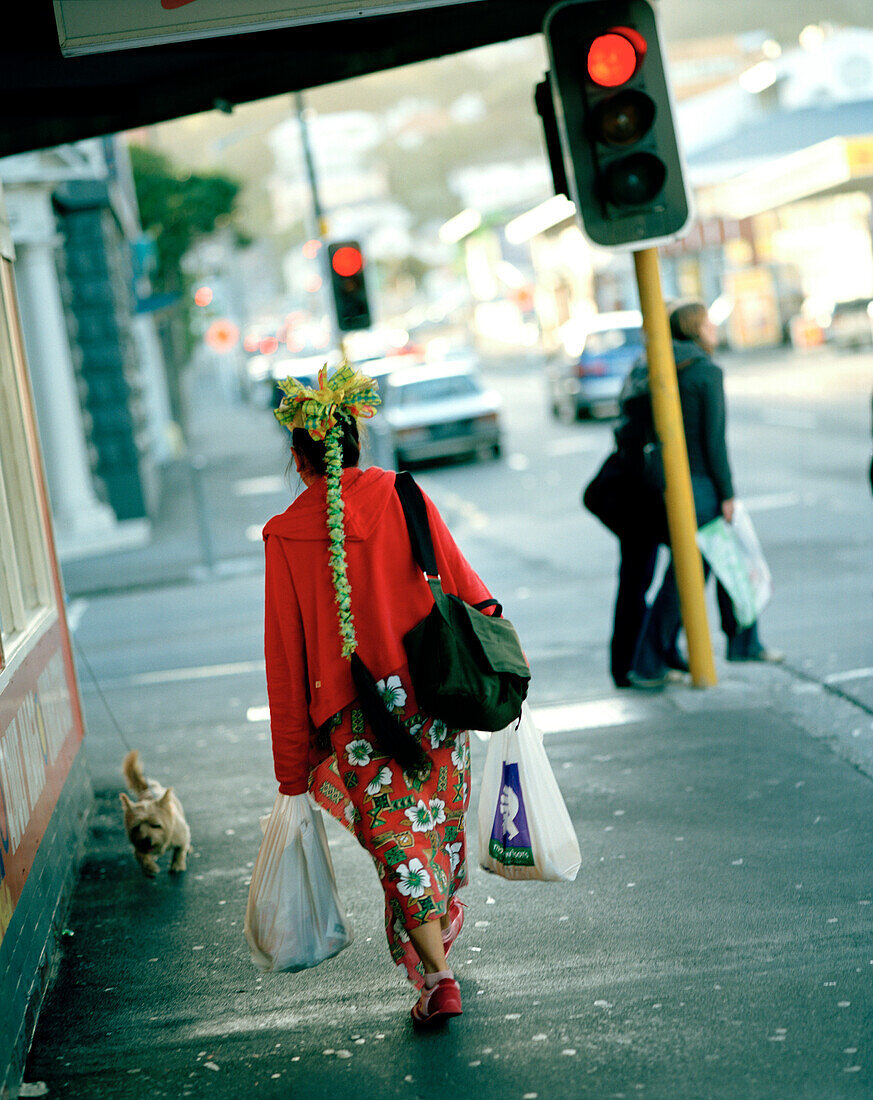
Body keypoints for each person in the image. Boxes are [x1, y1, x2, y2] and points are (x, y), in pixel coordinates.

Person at [263, 364, 497, 1029]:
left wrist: (290, 773)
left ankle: (436, 973)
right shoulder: (403, 494)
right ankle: (436, 964)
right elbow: (463, 582)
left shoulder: (283, 535)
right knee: (435, 834)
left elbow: (286, 660)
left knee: (399, 844)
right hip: (434, 698)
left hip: (353, 721)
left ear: (296, 455)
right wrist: (505, 659)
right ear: (355, 441)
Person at [628, 300, 781, 688]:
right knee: (692, 573)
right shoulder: (705, 372)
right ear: (696, 329)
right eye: (709, 322)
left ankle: (738, 641)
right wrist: (728, 492)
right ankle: (651, 661)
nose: (715, 328)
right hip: (701, 486)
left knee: (703, 567)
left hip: (668, 486)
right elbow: (715, 440)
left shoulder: (658, 367)